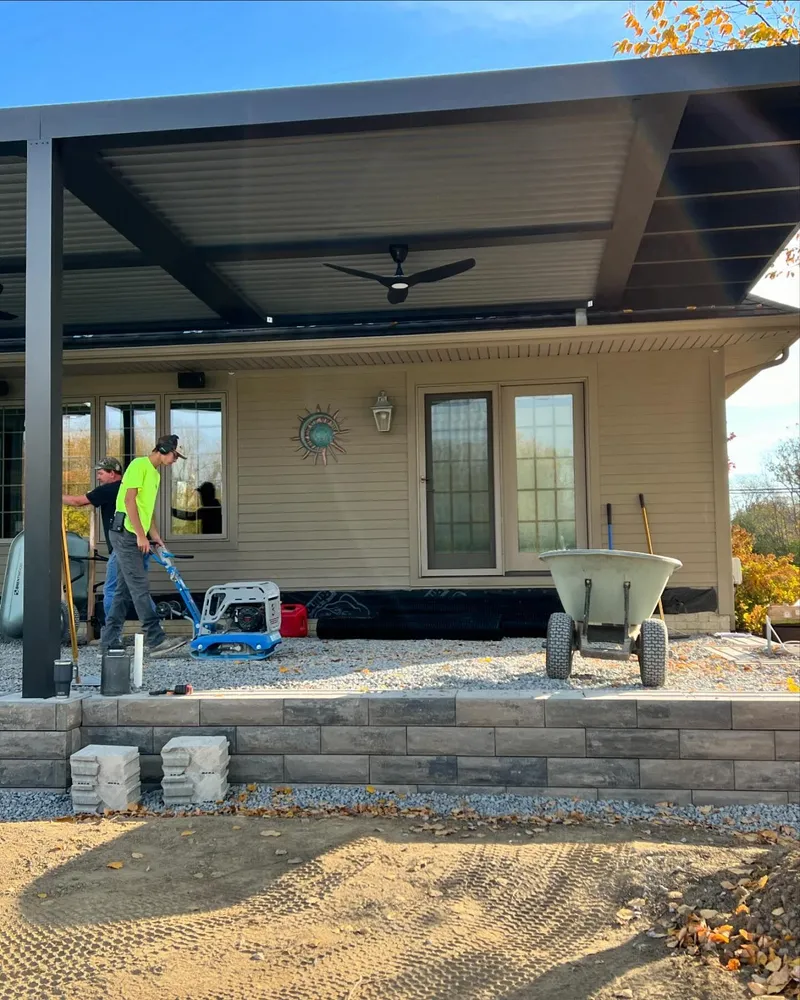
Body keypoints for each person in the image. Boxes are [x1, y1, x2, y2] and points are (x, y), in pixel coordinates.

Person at [100, 434, 187, 657]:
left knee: (122, 591)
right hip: (125, 533)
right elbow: (129, 501)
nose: (175, 460)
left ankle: (108, 643)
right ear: (164, 449)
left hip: (133, 533)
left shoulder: (155, 474)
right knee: (139, 586)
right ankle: (155, 639)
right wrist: (140, 535)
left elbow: (145, 509)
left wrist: (154, 536)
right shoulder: (139, 465)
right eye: (175, 455)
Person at [62, 457, 155, 622]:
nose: (98, 477)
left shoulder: (109, 489)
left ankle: (112, 634)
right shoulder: (132, 489)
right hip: (142, 546)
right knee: (139, 589)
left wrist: (52, 494)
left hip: (122, 547)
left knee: (112, 589)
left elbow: (77, 502)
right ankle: (156, 629)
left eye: (101, 473)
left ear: (112, 474)